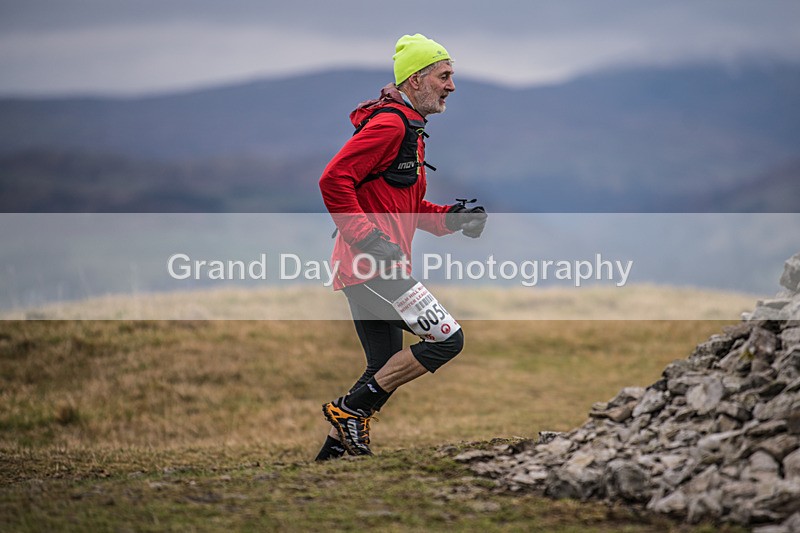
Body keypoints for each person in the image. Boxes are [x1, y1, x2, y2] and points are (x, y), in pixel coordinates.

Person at [316, 34, 487, 460]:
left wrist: (451, 219)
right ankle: (349, 411)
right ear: (415, 80)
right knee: (447, 339)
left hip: (374, 265)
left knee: (383, 365)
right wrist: (367, 239)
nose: (451, 86)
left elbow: (403, 205)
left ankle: (334, 456)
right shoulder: (391, 124)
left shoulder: (409, 127)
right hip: (370, 266)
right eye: (444, 76)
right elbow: (333, 180)